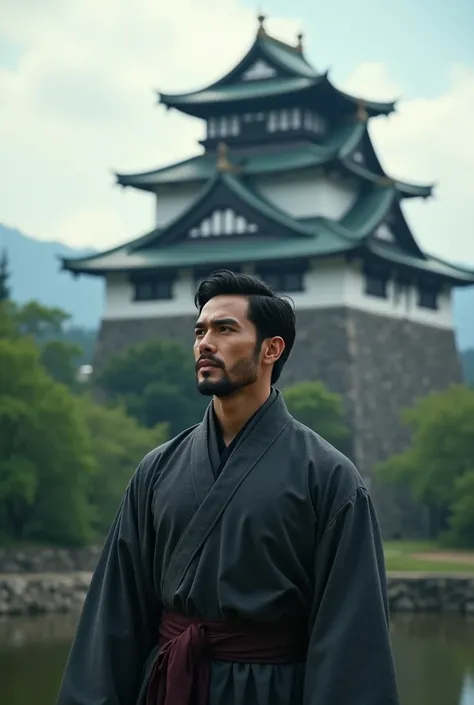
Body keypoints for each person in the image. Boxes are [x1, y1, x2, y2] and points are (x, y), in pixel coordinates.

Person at [56, 269, 400, 705]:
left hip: (270, 691)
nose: (205, 342)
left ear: (272, 349)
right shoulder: (158, 469)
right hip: (167, 685)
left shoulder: (329, 478)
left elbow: (352, 637)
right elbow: (113, 619)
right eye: (199, 331)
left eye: (225, 329)